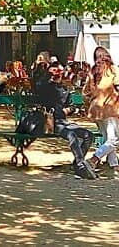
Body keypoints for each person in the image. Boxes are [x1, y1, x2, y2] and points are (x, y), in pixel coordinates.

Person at [32, 64, 98, 179]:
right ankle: (81, 165)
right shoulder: (46, 87)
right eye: (55, 71)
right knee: (71, 135)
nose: (57, 74)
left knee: (89, 135)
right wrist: (49, 74)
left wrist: (68, 110)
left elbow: (72, 106)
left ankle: (77, 163)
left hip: (64, 122)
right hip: (52, 123)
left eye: (59, 72)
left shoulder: (64, 89)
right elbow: (38, 86)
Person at [84, 46, 119, 176]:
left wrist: (92, 101)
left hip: (96, 110)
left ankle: (114, 166)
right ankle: (94, 160)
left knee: (107, 139)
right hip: (110, 109)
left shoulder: (92, 72)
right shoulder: (113, 70)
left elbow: (85, 93)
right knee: (114, 139)